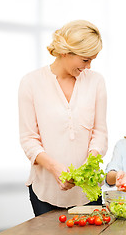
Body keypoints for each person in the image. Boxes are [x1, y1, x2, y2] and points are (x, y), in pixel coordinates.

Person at [18, 20, 108, 216]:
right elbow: (28, 139)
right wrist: (55, 168)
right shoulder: (31, 83)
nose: (89, 66)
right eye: (85, 60)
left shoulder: (96, 81)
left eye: (92, 59)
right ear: (66, 52)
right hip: (46, 191)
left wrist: (91, 162)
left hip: (87, 191)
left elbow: (100, 132)